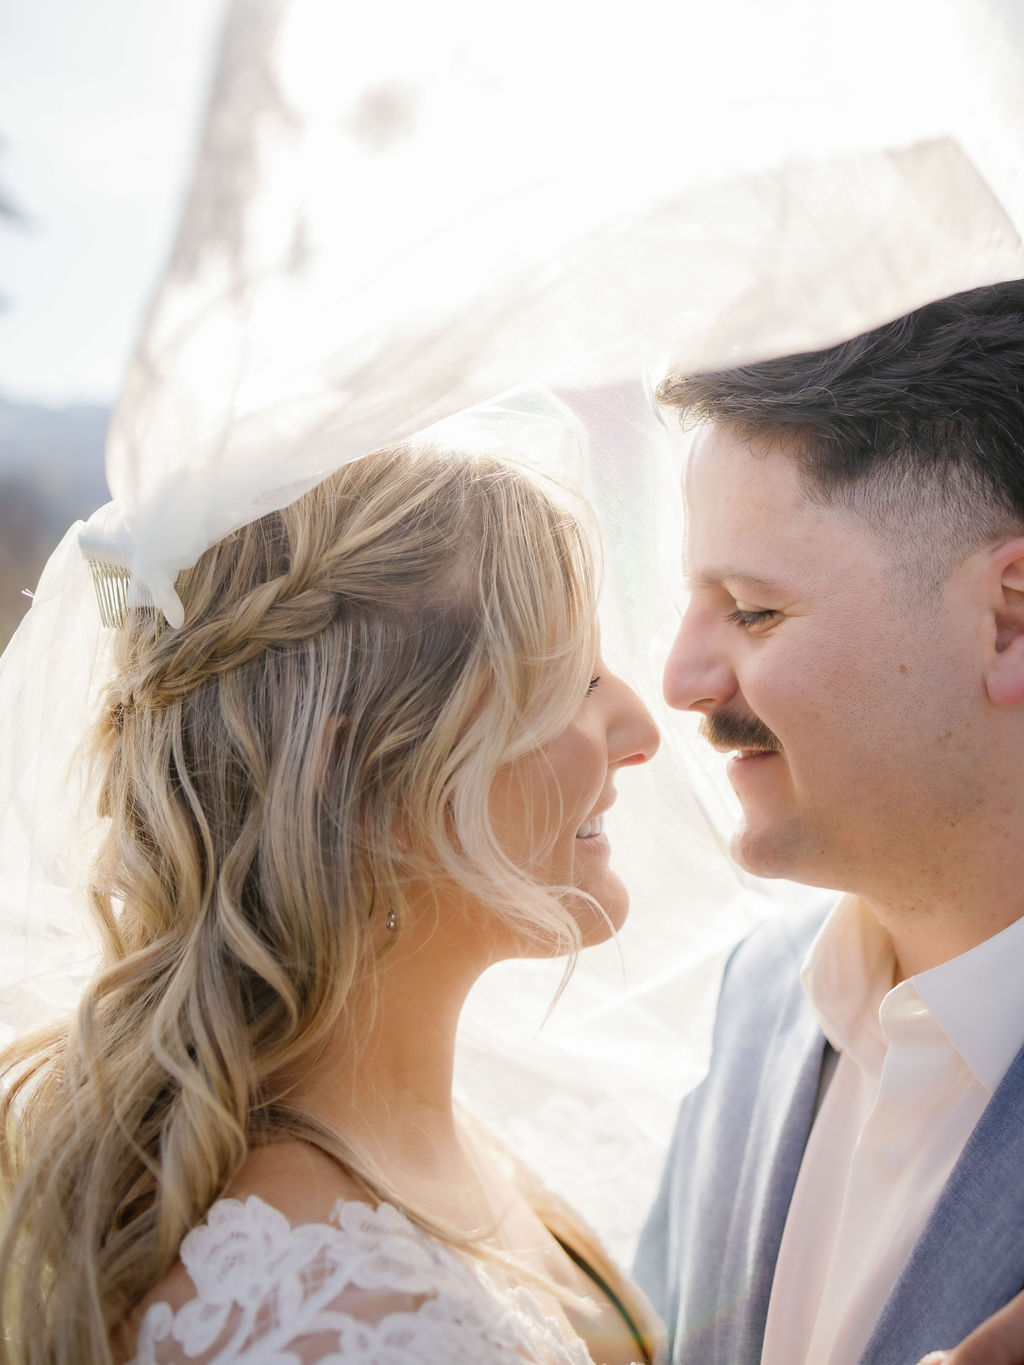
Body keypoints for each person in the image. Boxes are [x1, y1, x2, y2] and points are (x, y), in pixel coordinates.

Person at [0, 441, 662, 1365]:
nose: (643, 730)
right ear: (371, 788)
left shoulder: (415, 1128)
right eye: (571, 685)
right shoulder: (341, 1321)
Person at [634, 278, 1024, 1365]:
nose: (680, 677)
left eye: (752, 610)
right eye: (690, 604)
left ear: (1008, 619)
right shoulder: (753, 1000)